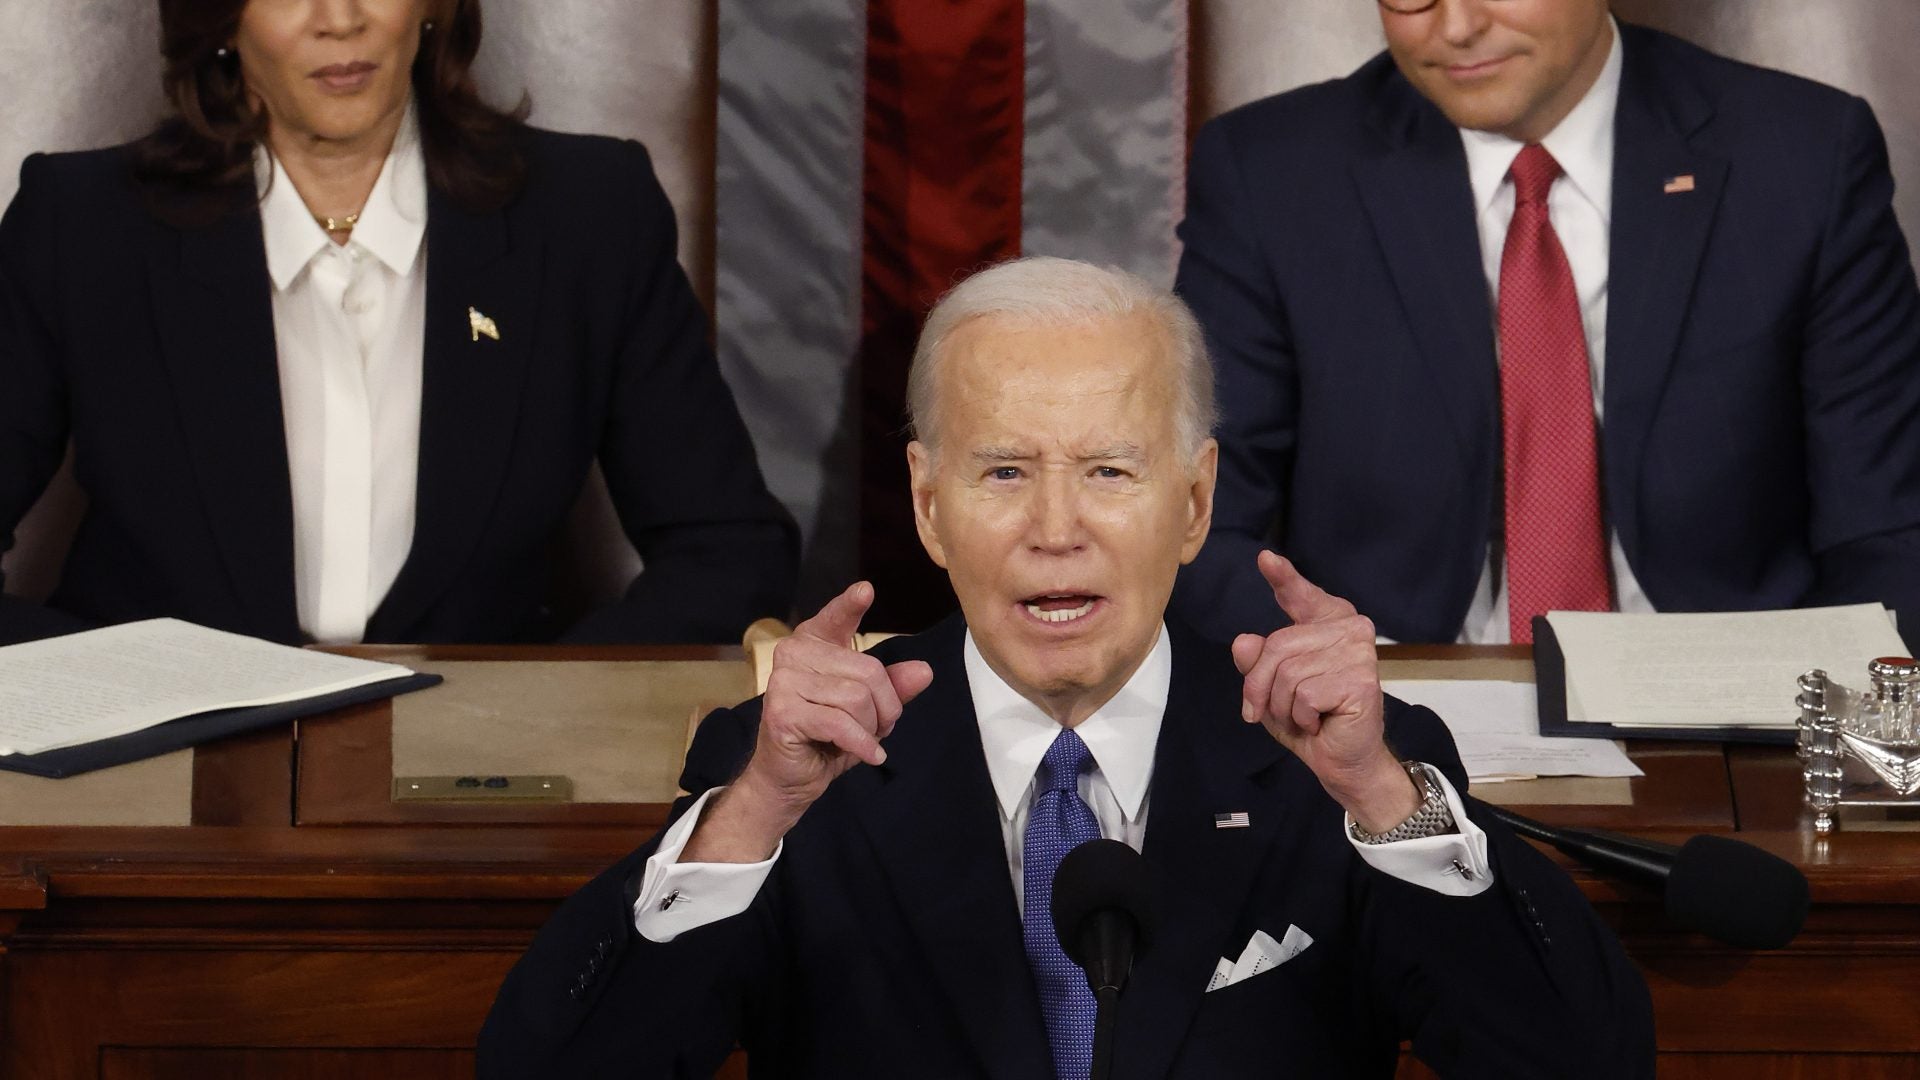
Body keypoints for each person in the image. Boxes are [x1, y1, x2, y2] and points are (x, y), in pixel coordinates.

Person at [477, 257, 1653, 1078]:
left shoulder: (1340, 759)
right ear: (929, 509)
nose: (1056, 528)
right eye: (1001, 474)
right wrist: (752, 818)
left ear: (1193, 504)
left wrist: (1385, 802)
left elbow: (1585, 1064)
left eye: (1108, 471)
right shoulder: (788, 769)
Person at [0, 0, 797, 646]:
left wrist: (537, 716)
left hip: (470, 795)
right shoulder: (82, 226)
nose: (339, 19)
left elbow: (728, 552)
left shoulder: (589, 215)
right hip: (153, 780)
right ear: (220, 20)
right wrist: (96, 694)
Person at [1172, 0, 1920, 649]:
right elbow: (1195, 523)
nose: (1456, 28)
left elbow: (1885, 525)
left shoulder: (1802, 157)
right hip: (1389, 706)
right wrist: (1318, 675)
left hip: (1729, 716)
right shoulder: (1273, 175)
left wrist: (1822, 730)